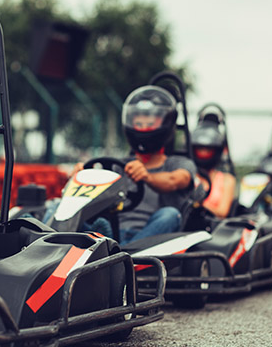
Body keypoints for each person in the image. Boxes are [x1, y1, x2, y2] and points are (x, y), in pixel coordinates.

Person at [66, 85, 197, 245]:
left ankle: (119, 253)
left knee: (170, 215)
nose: (143, 128)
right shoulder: (118, 166)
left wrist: (147, 177)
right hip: (114, 230)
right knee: (64, 210)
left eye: (149, 123)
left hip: (152, 235)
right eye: (138, 124)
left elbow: (174, 180)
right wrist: (81, 177)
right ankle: (38, 234)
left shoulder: (179, 163)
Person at [190, 113, 236, 218]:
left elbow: (222, 212)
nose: (204, 153)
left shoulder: (227, 180)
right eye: (200, 148)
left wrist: (198, 203)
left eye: (208, 149)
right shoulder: (187, 176)